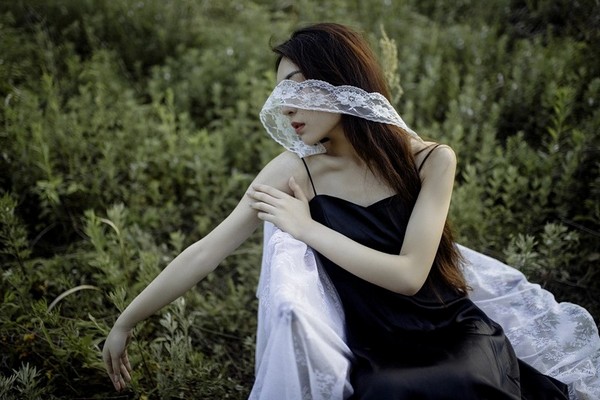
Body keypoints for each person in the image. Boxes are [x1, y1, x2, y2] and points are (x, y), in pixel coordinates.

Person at [103, 23, 599, 399]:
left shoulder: (430, 160)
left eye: (296, 86)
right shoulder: (295, 170)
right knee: (387, 392)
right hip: (372, 345)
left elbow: (409, 276)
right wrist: (125, 322)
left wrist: (306, 228)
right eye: (279, 93)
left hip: (451, 330)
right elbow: (206, 250)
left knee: (460, 383)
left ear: (339, 82)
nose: (285, 107)